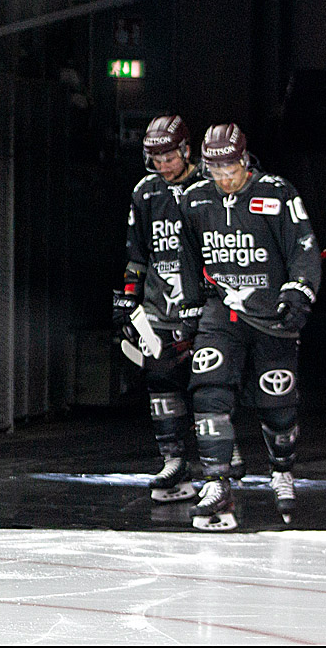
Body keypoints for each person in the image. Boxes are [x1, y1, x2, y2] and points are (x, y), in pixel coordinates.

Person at [176, 123, 321, 530]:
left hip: (270, 312)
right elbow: (187, 256)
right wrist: (189, 307)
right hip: (223, 312)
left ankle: (281, 471)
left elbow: (303, 248)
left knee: (277, 406)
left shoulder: (276, 193)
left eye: (230, 169)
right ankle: (216, 481)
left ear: (244, 159)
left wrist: (298, 294)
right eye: (214, 170)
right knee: (209, 388)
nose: (224, 179)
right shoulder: (194, 198)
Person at [113, 115, 244, 506]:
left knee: (209, 380)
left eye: (169, 156)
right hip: (160, 305)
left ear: (186, 150)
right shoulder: (145, 192)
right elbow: (137, 255)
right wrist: (127, 300)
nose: (164, 165)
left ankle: (224, 456)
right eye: (155, 159)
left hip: (205, 300)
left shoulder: (211, 186)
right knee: (160, 378)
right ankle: (173, 460)